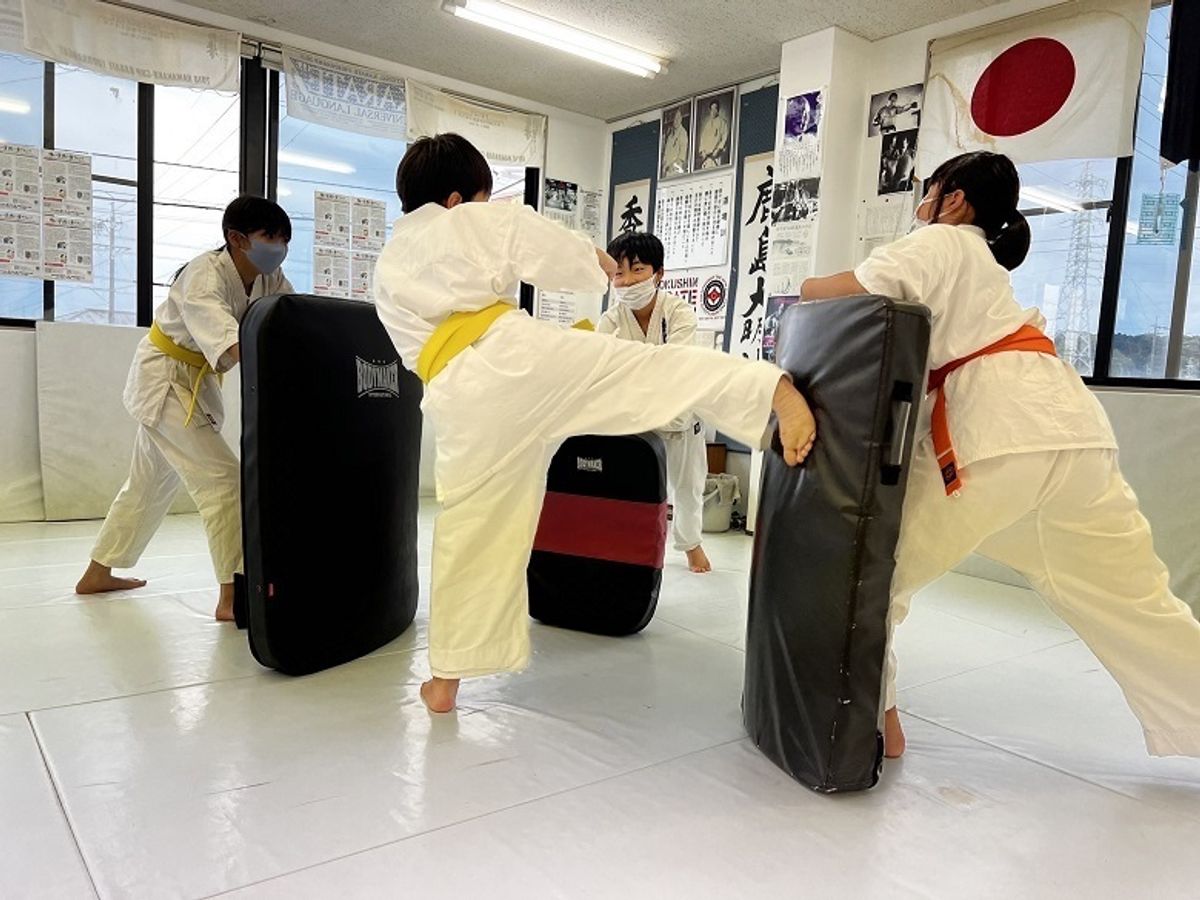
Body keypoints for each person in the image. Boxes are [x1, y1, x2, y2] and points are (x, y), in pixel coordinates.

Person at [373, 133, 816, 714]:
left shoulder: (388, 262)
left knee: (468, 530)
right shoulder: (461, 222)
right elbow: (526, 235)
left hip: (457, 395)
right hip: (515, 355)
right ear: (458, 198)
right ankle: (770, 392)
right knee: (651, 373)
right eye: (481, 197)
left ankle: (446, 679)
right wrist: (597, 261)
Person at [801, 151, 1200, 759]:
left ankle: (876, 726)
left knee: (874, 574)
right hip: (1074, 432)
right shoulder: (987, 273)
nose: (922, 204)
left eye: (929, 191)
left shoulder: (946, 240)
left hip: (999, 433)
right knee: (1140, 605)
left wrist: (803, 284)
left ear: (954, 199)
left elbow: (846, 291)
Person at [75, 196, 293, 622]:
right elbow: (235, 345)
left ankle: (97, 572)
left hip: (196, 384)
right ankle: (232, 595)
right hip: (166, 381)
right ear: (237, 239)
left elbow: (293, 318)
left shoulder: (270, 278)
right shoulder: (202, 277)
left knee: (146, 485)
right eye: (271, 237)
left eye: (285, 239)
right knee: (225, 481)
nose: (279, 247)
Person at [597, 231, 713, 573]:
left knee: (689, 485)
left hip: (679, 416)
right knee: (634, 488)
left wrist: (633, 366)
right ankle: (635, 547)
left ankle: (691, 545)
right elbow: (604, 370)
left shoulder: (679, 313)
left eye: (638, 270)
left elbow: (676, 363)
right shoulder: (611, 320)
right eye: (619, 273)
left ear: (658, 274)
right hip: (634, 419)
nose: (628, 281)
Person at [696, 100, 731, 170]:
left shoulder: (723, 123)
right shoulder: (707, 124)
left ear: (718, 110)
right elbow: (702, 139)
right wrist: (703, 152)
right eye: (712, 109)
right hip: (706, 157)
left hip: (716, 155)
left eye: (715, 109)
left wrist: (718, 150)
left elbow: (724, 138)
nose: (713, 111)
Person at [662, 108, 689, 177]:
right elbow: (666, 152)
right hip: (666, 170)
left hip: (675, 170)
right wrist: (664, 164)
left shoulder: (683, 133)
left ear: (681, 119)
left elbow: (682, 156)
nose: (676, 121)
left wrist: (672, 166)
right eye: (674, 119)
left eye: (678, 118)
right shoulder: (670, 134)